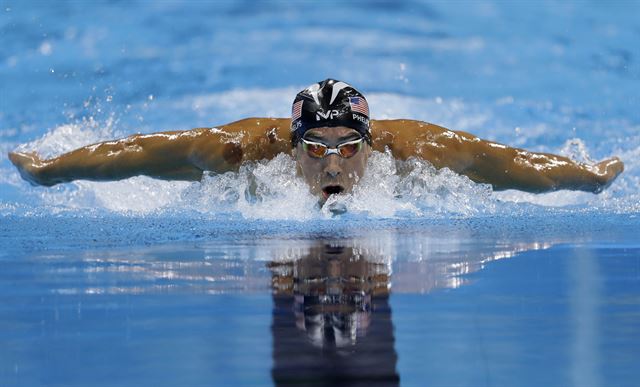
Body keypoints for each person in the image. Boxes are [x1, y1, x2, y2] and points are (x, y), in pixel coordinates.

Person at [8, 78, 624, 202]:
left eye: (348, 148)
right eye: (317, 148)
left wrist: (584, 177)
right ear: (293, 147)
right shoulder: (243, 151)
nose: (333, 162)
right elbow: (137, 154)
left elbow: (507, 164)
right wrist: (50, 170)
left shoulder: (414, 152)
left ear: (370, 143)